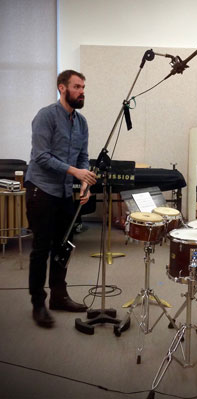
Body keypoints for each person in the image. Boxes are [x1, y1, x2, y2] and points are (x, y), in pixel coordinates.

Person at [25, 70, 97, 328]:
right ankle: (38, 304)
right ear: (62, 88)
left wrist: (85, 184)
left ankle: (59, 296)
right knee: (41, 249)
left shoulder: (82, 122)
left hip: (66, 192)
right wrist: (75, 172)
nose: (82, 91)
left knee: (63, 247)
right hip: (41, 190)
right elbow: (41, 156)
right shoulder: (46, 116)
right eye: (77, 86)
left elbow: (83, 157)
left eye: (83, 87)